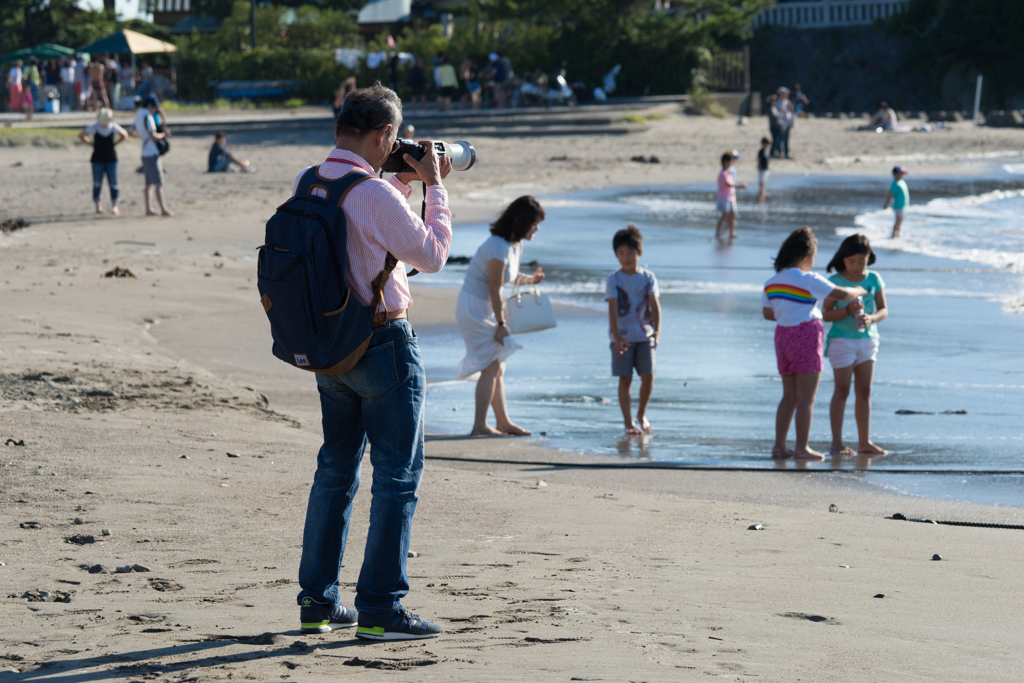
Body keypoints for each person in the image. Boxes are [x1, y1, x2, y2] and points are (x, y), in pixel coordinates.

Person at [293, 82, 453, 642]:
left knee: (335, 471)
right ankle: (382, 607)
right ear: (386, 134)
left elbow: (362, 244)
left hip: (330, 347)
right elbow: (430, 257)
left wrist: (400, 186)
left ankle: (318, 601)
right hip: (383, 344)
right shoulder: (376, 195)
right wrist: (434, 189)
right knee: (396, 477)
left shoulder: (312, 181)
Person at [762, 227, 866, 461]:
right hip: (806, 334)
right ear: (807, 255)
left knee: (788, 396)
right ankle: (802, 447)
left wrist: (787, 311)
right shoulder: (808, 278)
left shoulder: (772, 282)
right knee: (806, 398)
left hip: (782, 336)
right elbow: (840, 294)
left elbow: (768, 314)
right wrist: (859, 289)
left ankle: (779, 446)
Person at [455, 196, 545, 437]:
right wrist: (502, 324)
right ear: (520, 221)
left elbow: (509, 277)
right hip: (475, 307)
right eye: (534, 223)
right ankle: (480, 425)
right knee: (491, 363)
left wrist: (529, 280)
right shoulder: (497, 246)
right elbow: (495, 288)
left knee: (497, 364)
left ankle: (502, 422)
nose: (537, 228)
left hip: (486, 306)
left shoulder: (513, 245)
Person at [822, 234, 888, 458]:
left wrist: (871, 318)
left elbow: (883, 310)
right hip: (842, 340)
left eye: (862, 260)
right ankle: (837, 442)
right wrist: (847, 311)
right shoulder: (836, 281)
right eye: (851, 261)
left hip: (868, 340)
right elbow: (826, 314)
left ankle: (864, 442)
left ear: (869, 257)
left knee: (865, 391)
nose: (857, 266)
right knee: (842, 390)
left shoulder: (874, 279)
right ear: (843, 259)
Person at [606, 224, 661, 435]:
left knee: (648, 376)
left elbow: (655, 306)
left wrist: (657, 331)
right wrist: (617, 336)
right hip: (622, 338)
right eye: (621, 253)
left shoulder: (648, 278)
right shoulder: (614, 280)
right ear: (616, 255)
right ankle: (628, 421)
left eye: (630, 253)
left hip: (644, 335)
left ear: (640, 252)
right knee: (625, 378)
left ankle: (642, 414)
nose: (626, 258)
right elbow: (612, 309)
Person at [78, 108, 128, 215]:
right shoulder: (94, 127)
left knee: (113, 183)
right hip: (97, 159)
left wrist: (115, 144)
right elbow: (81, 135)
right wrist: (91, 144)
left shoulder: (113, 126)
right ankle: (98, 204)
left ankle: (114, 205)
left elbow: (124, 135)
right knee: (97, 182)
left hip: (111, 158)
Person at [132, 95, 173, 216]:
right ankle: (164, 209)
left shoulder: (138, 115)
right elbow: (154, 136)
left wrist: (142, 136)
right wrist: (164, 135)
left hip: (144, 153)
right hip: (151, 153)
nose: (155, 110)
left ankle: (149, 209)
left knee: (148, 184)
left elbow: (131, 131)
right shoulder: (148, 117)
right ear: (150, 106)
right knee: (159, 183)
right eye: (155, 107)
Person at [715, 152, 745, 240]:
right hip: (724, 197)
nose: (731, 163)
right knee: (725, 215)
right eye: (729, 161)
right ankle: (717, 232)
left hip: (731, 196)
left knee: (732, 215)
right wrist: (739, 186)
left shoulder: (729, 172)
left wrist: (738, 187)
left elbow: (731, 184)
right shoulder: (723, 173)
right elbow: (728, 184)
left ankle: (731, 233)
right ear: (725, 162)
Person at [884, 165, 909, 238]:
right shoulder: (895, 183)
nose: (902, 175)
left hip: (903, 205)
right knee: (898, 221)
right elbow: (890, 194)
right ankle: (894, 235)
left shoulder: (901, 181)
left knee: (900, 221)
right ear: (895, 174)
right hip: (899, 205)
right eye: (900, 174)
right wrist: (886, 204)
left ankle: (898, 234)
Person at [776, 87, 793, 158]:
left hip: (788, 122)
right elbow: (776, 113)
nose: (785, 95)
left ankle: (786, 153)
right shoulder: (777, 102)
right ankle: (780, 153)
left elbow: (791, 111)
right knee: (780, 139)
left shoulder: (788, 101)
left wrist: (791, 107)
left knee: (786, 139)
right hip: (781, 123)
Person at [757, 137, 770, 201]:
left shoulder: (766, 151)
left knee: (764, 180)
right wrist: (759, 166)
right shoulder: (761, 151)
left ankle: (763, 190)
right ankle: (761, 191)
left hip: (766, 168)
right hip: (762, 167)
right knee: (761, 180)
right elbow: (759, 159)